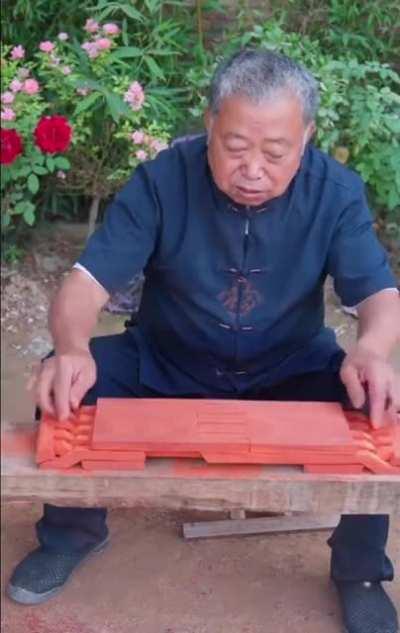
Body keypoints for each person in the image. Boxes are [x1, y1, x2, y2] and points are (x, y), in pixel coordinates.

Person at [7, 49, 399, 633]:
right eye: (236, 147)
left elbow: (378, 295)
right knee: (65, 383)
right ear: (211, 123)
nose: (254, 170)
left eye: (276, 153)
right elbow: (86, 284)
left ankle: (360, 571)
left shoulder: (334, 192)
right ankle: (71, 533)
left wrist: (371, 350)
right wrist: (70, 347)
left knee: (376, 404)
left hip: (289, 364)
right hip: (166, 359)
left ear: (307, 137)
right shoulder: (162, 180)